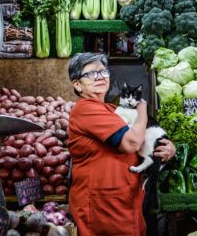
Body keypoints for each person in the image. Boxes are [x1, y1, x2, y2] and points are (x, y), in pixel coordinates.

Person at [67, 52, 176, 236]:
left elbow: (144, 136)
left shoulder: (111, 109)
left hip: (127, 201)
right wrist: (142, 108)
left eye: (103, 71)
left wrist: (165, 147)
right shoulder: (86, 109)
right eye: (90, 74)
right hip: (103, 207)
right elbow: (132, 142)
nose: (99, 77)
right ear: (77, 84)